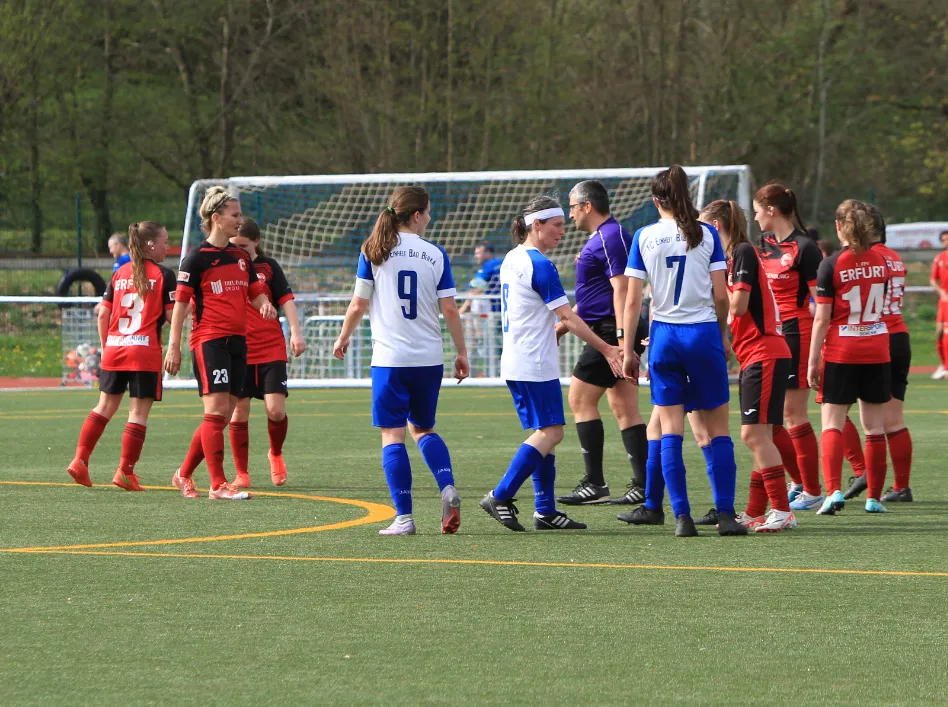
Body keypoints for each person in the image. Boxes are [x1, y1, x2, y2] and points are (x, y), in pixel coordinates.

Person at [479, 196, 623, 532]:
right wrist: (606, 348)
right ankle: (500, 495)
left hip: (519, 358)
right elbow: (567, 316)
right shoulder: (540, 265)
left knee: (545, 433)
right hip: (533, 361)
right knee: (552, 432)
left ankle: (545, 510)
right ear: (537, 224)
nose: (563, 231)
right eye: (556, 225)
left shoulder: (512, 258)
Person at [333, 186, 469, 536]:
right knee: (423, 428)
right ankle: (447, 486)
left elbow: (358, 305)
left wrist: (344, 337)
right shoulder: (435, 253)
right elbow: (450, 309)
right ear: (417, 215)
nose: (431, 218)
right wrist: (461, 352)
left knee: (393, 435)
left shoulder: (373, 250)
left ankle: (405, 518)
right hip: (429, 359)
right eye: (429, 212)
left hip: (390, 360)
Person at [622, 165, 745, 537]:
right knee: (718, 429)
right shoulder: (707, 233)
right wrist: (721, 335)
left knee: (670, 429)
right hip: (702, 333)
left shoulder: (644, 235)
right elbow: (721, 296)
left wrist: (627, 349)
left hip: (664, 336)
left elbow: (632, 301)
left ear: (655, 200)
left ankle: (682, 518)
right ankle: (726, 515)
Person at [164, 186, 277, 501]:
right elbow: (181, 307)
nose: (240, 220)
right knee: (215, 412)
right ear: (217, 218)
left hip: (238, 342)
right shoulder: (196, 258)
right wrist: (173, 346)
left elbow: (255, 292)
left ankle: (183, 474)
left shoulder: (241, 257)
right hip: (209, 340)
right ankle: (218, 484)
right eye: (235, 215)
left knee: (223, 416)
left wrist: (265, 305)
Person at [700, 200, 796, 532]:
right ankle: (756, 510)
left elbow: (738, 306)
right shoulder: (732, 257)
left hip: (764, 351)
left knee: (753, 434)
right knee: (761, 435)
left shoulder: (741, 251)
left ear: (715, 225)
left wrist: (714, 296)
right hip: (757, 353)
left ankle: (782, 509)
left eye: (702, 225)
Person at [555, 180, 649, 507]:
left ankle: (595, 483)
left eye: (572, 207)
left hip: (610, 331)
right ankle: (644, 486)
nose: (570, 215)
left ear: (587, 206)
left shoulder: (611, 236)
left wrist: (622, 341)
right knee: (624, 406)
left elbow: (622, 291)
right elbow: (595, 295)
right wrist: (562, 328)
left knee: (579, 399)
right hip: (610, 327)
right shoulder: (602, 237)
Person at [67, 222, 176, 490]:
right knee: (137, 413)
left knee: (103, 407)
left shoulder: (120, 273)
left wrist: (107, 347)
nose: (168, 246)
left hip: (115, 349)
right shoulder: (164, 275)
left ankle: (80, 460)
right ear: (150, 244)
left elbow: (103, 315)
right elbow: (172, 316)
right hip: (144, 352)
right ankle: (125, 472)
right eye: (165, 242)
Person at [808, 199, 891, 515]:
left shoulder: (831, 264)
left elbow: (822, 318)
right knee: (874, 428)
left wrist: (813, 361)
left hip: (842, 350)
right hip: (877, 347)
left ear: (839, 226)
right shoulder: (881, 261)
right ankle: (874, 498)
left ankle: (833, 492)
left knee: (832, 423)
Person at [755, 183, 825, 510]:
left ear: (771, 210)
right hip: (771, 336)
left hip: (798, 332)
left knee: (792, 413)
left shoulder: (805, 248)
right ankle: (798, 481)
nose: (755, 217)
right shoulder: (762, 245)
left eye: (758, 210)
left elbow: (821, 303)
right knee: (772, 418)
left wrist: (820, 352)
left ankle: (812, 490)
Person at [225, 218, 306, 488]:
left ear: (256, 242)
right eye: (234, 246)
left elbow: (286, 300)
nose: (238, 250)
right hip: (239, 348)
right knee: (239, 411)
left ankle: (276, 453)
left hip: (270, 347)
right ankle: (242, 473)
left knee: (275, 410)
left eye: (243, 246)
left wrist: (295, 333)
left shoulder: (268, 267)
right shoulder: (227, 267)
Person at [843, 202, 914, 503]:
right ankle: (901, 487)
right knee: (893, 421)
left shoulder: (866, 257)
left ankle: (863, 472)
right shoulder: (894, 256)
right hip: (900, 336)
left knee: (836, 411)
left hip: (873, 338)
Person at [458, 242, 503, 374]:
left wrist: (463, 308)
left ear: (487, 253)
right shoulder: (502, 262)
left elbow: (476, 289)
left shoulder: (488, 266)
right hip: (504, 310)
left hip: (491, 312)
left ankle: (492, 373)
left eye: (478, 253)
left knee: (488, 343)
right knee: (499, 343)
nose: (476, 256)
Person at [931, 230, 948, 380]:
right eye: (943, 240)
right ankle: (943, 364)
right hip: (944, 301)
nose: (946, 242)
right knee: (940, 332)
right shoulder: (939, 258)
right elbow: (932, 280)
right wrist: (942, 292)